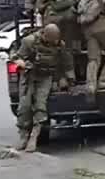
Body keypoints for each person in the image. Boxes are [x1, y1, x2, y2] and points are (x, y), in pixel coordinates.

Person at [11, 24, 74, 152]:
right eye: (52, 40)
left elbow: (67, 62)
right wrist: (20, 62)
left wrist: (68, 79)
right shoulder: (29, 41)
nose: (54, 42)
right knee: (25, 106)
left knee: (40, 106)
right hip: (29, 76)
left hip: (46, 77)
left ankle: (34, 137)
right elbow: (16, 56)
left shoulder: (58, 45)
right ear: (45, 35)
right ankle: (23, 137)